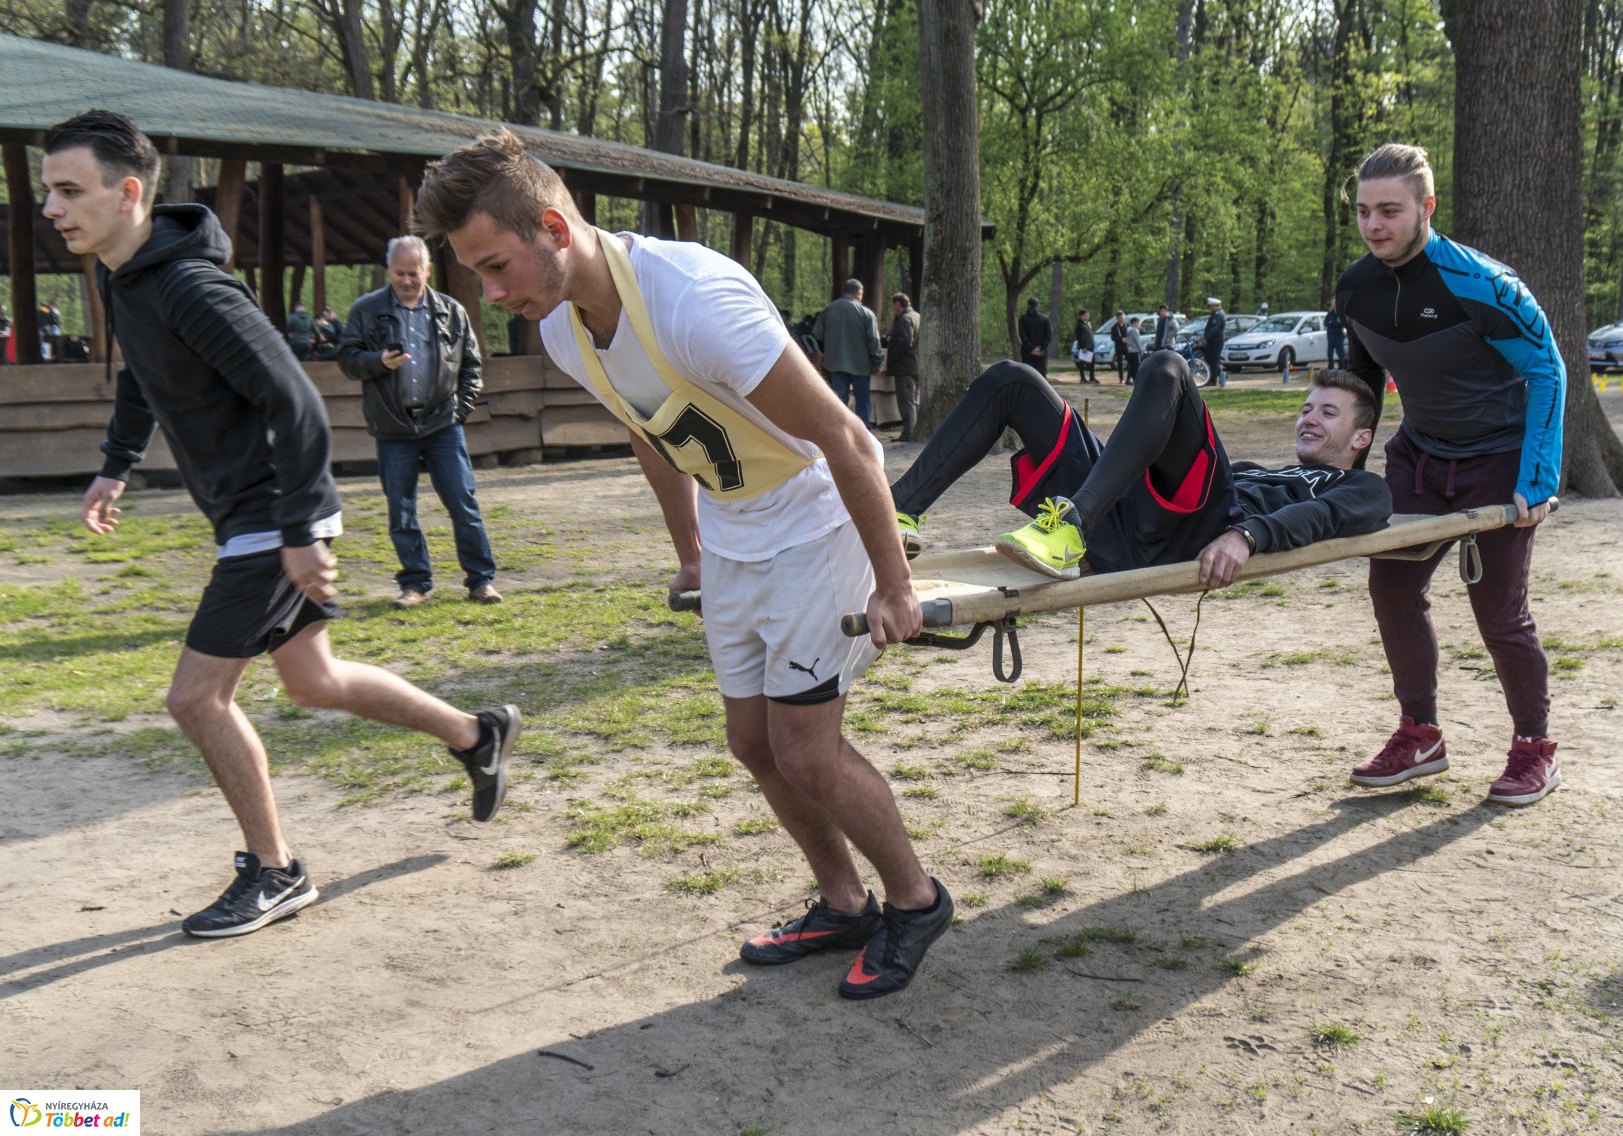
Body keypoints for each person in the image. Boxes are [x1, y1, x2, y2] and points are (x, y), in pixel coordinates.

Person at [413, 130, 949, 999]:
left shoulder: (693, 299)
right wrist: (692, 552)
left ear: (554, 226)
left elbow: (848, 439)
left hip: (816, 524)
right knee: (753, 744)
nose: (491, 292)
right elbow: (648, 428)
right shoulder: (561, 330)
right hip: (735, 535)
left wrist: (895, 582)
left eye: (497, 265)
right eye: (478, 273)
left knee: (806, 752)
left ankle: (916, 900)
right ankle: (843, 900)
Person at [42, 110, 517, 938]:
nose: (52, 206)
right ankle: (476, 734)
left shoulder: (192, 286)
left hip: (271, 516)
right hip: (256, 517)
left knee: (195, 698)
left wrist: (297, 529)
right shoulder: (129, 279)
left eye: (69, 190)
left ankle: (276, 870)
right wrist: (116, 464)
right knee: (314, 681)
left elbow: (294, 400)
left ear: (128, 193)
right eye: (47, 190)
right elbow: (142, 378)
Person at [1335, 142, 1566, 808]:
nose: (1374, 225)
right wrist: (1341, 470)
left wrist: (1539, 477)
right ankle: (1421, 732)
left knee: (1499, 613)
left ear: (1426, 208)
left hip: (1499, 462)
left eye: (1389, 210)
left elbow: (1548, 368)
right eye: (1363, 211)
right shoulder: (1356, 287)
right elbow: (1363, 381)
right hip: (1421, 457)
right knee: (1391, 587)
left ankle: (1534, 748)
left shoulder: (1484, 285)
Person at [891, 354, 1389, 583]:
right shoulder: (1259, 468)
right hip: (1123, 516)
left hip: (1193, 529)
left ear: (1361, 438)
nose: (1309, 419)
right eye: (1306, 409)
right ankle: (893, 515)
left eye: (1328, 413)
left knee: (1166, 368)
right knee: (1012, 379)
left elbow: (1318, 520)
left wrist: (1248, 536)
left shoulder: (1361, 486)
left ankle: (1070, 526)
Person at [338, 235, 502, 607]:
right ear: (389, 270)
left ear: (427, 270)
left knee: (463, 504)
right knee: (402, 510)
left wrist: (459, 412)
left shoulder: (451, 311)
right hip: (393, 428)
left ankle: (481, 580)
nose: (407, 280)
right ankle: (415, 584)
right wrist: (378, 362)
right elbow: (347, 358)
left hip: (443, 424)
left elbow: (472, 367)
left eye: (414, 273)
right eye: (399, 273)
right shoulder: (366, 310)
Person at [818, 279, 883, 428]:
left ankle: (838, 431)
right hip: (861, 365)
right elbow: (873, 341)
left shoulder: (828, 310)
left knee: (839, 401)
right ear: (859, 293)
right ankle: (865, 433)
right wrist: (878, 362)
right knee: (863, 401)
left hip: (835, 363)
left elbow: (818, 334)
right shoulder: (866, 313)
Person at [882, 291, 920, 441]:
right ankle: (911, 431)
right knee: (914, 401)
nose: (893, 309)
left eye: (893, 305)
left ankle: (908, 433)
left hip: (905, 367)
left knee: (906, 402)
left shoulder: (904, 320)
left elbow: (905, 342)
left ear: (898, 304)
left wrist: (894, 357)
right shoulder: (917, 316)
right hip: (916, 365)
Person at [1018, 297, 1052, 379]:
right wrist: (1041, 348)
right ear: (1038, 305)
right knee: (1041, 376)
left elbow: (1022, 335)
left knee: (1027, 374)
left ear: (1028, 305)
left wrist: (1032, 348)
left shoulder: (1023, 319)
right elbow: (1049, 335)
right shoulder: (1045, 319)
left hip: (1027, 351)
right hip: (1042, 352)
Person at [1201, 297, 1228, 388]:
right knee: (1212, 360)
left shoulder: (1218, 314)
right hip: (1213, 340)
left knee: (1214, 360)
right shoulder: (1215, 314)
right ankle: (1222, 375)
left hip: (1216, 340)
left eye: (1211, 306)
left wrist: (1206, 338)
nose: (1210, 308)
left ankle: (1214, 380)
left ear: (1215, 306)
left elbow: (1214, 329)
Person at [1072, 309, 1099, 384]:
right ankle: (1083, 378)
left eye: (1088, 315)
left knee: (1092, 362)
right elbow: (1079, 337)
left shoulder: (1087, 324)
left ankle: (1092, 378)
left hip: (1090, 346)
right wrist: (1083, 346)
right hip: (1084, 347)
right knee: (1082, 363)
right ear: (1081, 316)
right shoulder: (1079, 325)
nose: (1087, 316)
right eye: (1085, 315)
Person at [1325, 297, 1347, 370]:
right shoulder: (1330, 313)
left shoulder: (1341, 313)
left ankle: (1342, 370)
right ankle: (1330, 370)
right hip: (1331, 337)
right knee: (1329, 355)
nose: (1333, 304)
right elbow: (1326, 323)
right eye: (1332, 303)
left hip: (1339, 337)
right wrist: (1335, 323)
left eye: (1334, 303)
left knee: (1341, 355)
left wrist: (1332, 323)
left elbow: (1342, 324)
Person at [1124, 316, 1145, 384]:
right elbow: (1138, 341)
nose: (1139, 325)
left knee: (1131, 366)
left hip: (1130, 350)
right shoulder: (1135, 331)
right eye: (1138, 323)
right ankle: (1135, 380)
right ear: (1134, 323)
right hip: (1135, 350)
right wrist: (1141, 350)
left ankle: (1128, 379)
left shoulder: (1128, 330)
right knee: (1136, 366)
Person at [1109, 307, 1128, 379]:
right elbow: (1112, 337)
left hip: (1127, 346)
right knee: (1120, 362)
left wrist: (1127, 339)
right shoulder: (1114, 327)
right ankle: (1121, 378)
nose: (1121, 318)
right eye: (1119, 317)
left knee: (1130, 361)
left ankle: (1131, 376)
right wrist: (1120, 339)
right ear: (1117, 318)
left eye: (1122, 316)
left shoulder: (1127, 325)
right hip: (1119, 346)